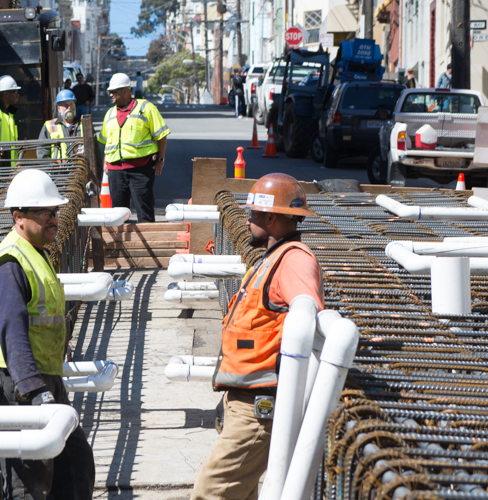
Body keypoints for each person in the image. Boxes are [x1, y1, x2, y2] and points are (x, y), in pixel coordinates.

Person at [191, 173, 324, 500]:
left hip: (260, 405)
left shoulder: (294, 260)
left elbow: (307, 314)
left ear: (272, 217)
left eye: (253, 214)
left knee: (209, 493)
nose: (248, 220)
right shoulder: (272, 259)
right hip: (247, 399)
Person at [0, 168, 95, 500]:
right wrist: (34, 390)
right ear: (19, 216)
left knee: (74, 462)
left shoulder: (36, 252)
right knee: (29, 482)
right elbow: (12, 331)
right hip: (22, 385)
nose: (54, 218)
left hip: (44, 378)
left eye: (55, 211)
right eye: (45, 211)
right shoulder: (10, 265)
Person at [97, 72, 170, 223]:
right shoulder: (110, 113)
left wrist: (161, 159)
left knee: (145, 210)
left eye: (113, 91)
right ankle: (121, 246)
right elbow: (106, 142)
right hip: (115, 171)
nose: (110, 94)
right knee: (118, 214)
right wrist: (106, 162)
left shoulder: (146, 108)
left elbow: (161, 135)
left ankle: (148, 244)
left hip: (141, 169)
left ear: (125, 90)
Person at [37, 89, 83, 159]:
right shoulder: (49, 126)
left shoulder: (84, 125)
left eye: (71, 104)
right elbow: (42, 153)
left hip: (81, 169)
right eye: (65, 105)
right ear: (59, 109)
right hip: (58, 169)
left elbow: (94, 151)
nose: (69, 107)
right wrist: (52, 168)